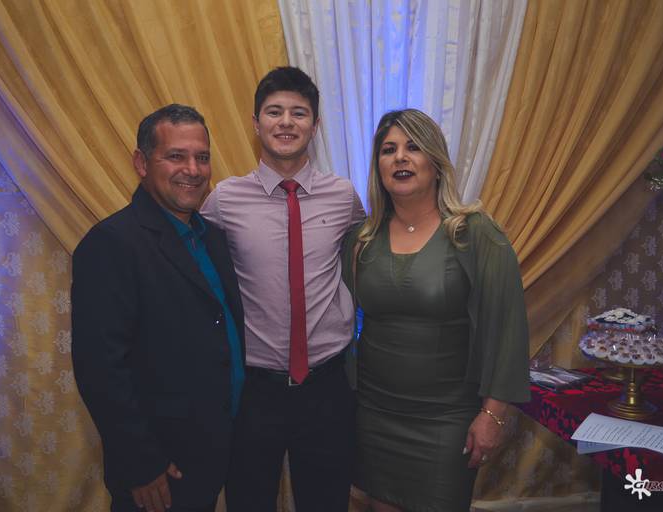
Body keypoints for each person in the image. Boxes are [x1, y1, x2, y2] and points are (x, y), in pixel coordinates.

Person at [341, 109, 530, 512]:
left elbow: (508, 329)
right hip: (374, 414)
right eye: (388, 150)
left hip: (447, 419)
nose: (400, 157)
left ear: (436, 161)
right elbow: (336, 320)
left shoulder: (474, 233)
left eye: (413, 147)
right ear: (378, 167)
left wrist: (493, 415)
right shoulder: (360, 240)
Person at [200, 66, 366, 511]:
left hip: (327, 385)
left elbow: (364, 257)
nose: (286, 122)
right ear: (256, 124)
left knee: (326, 502)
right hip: (255, 389)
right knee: (248, 501)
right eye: (274, 112)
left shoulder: (343, 196)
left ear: (315, 125)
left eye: (299, 112)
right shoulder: (225, 199)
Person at [72, 104, 244, 512]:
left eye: (202, 157)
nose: (193, 169)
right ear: (141, 163)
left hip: (212, 452)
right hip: (160, 470)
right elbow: (100, 368)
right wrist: (141, 463)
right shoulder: (111, 243)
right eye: (176, 156)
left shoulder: (213, 237)